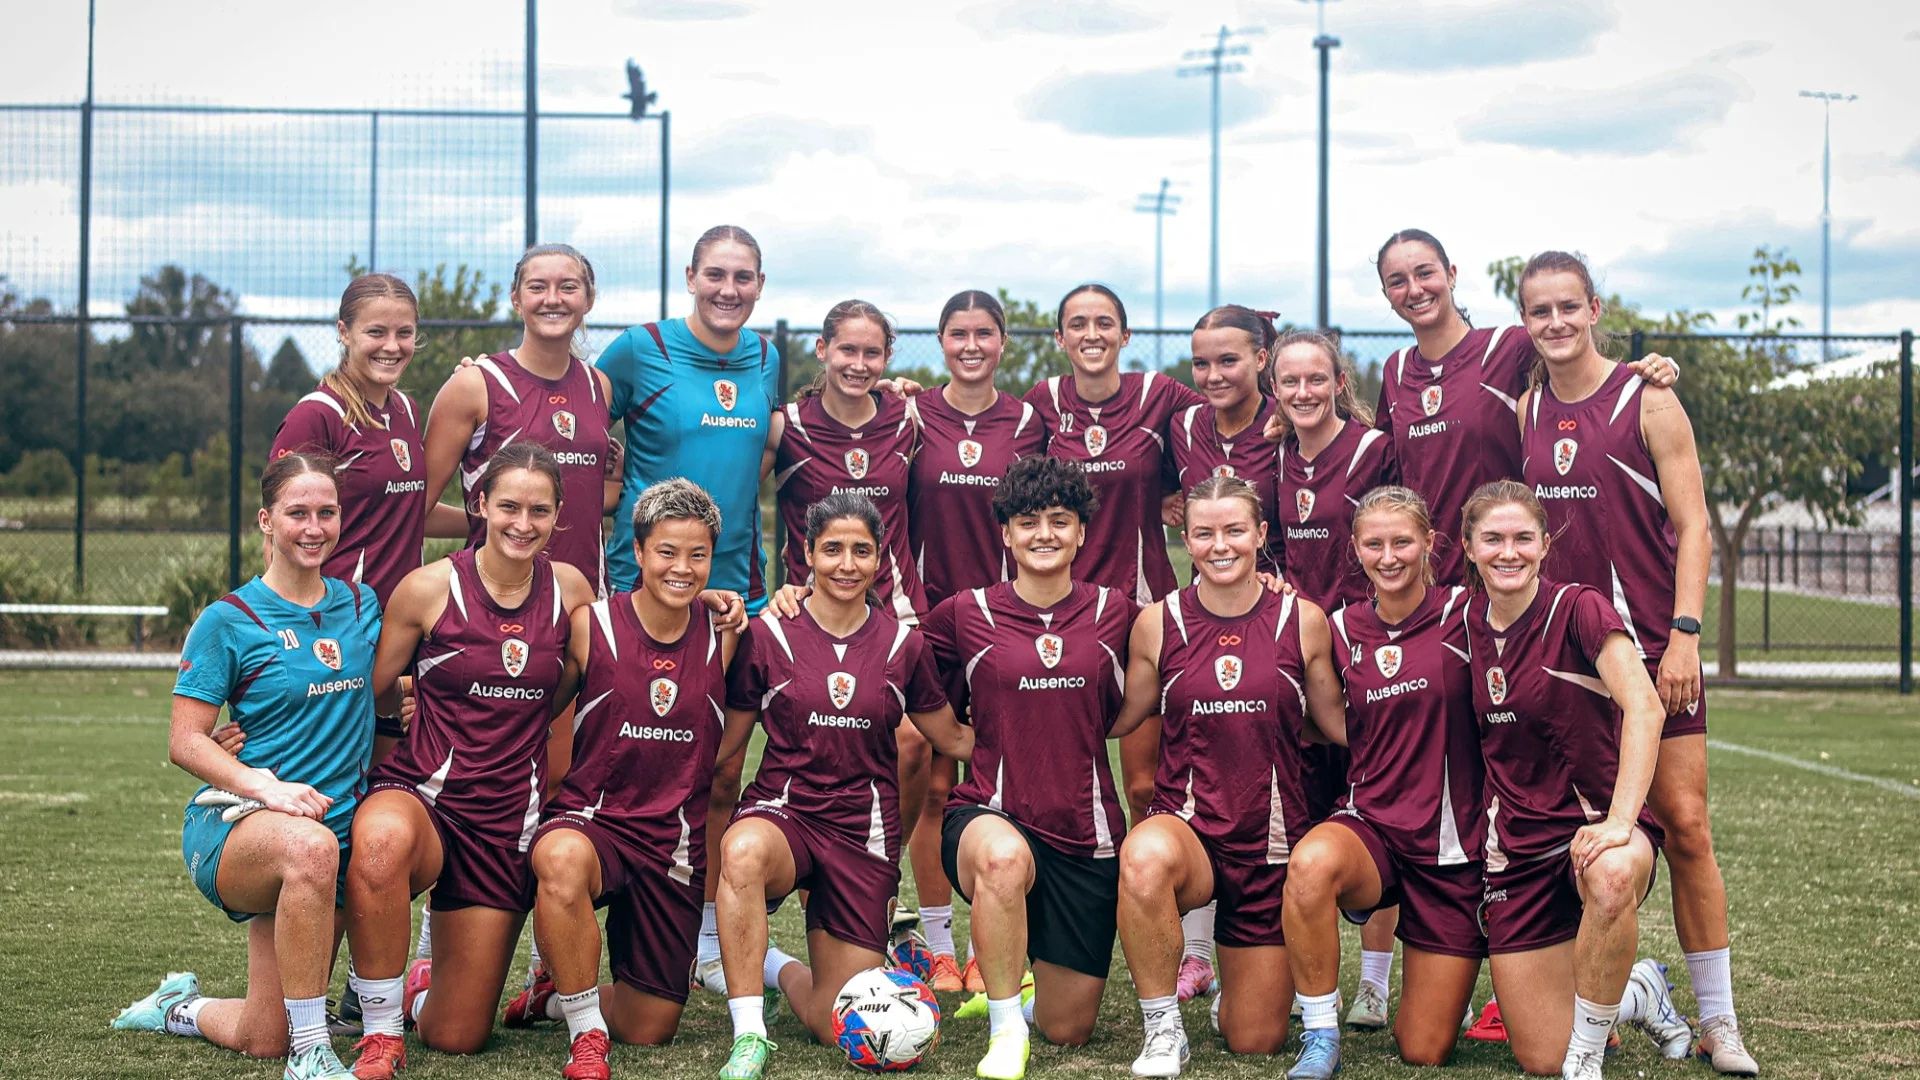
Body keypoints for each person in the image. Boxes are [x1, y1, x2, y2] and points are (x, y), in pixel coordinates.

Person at [1515, 252, 1754, 1075]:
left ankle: (1719, 1020)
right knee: (1568, 833)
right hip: (1569, 661)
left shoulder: (1649, 397)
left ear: (1595, 309)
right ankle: (1612, 991)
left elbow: (1694, 526)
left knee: (1686, 827)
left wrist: (1685, 635)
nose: (1554, 322)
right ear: (1525, 321)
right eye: (1539, 310)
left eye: (1568, 306)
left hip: (1653, 650)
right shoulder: (1528, 408)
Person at [111, 452, 380, 1080]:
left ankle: (177, 1006)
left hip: (329, 831)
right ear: (266, 520)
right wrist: (264, 786)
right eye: (297, 513)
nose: (313, 528)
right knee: (311, 848)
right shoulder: (228, 619)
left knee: (263, 1036)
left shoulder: (362, 603)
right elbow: (186, 741)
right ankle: (312, 1055)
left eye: (326, 513)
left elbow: (381, 688)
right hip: (242, 825)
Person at [343, 443, 597, 1079]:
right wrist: (407, 697)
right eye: (508, 506)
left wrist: (713, 605)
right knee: (380, 841)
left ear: (559, 514)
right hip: (424, 796)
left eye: (539, 510)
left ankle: (419, 992)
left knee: (457, 1037)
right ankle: (380, 1033)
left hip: (506, 820)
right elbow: (373, 688)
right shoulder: (428, 588)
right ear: (480, 504)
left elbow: (576, 682)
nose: (522, 523)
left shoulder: (571, 591)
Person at [713, 493, 972, 1080]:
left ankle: (775, 967)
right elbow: (726, 746)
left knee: (835, 1022)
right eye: (832, 549)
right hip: (786, 813)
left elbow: (951, 737)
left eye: (861, 550)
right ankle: (749, 1034)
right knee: (743, 851)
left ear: (879, 558)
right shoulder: (768, 633)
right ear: (806, 554)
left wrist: (1047, 735)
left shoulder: (905, 646)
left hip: (862, 832)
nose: (847, 564)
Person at [1112, 475, 1348, 1079]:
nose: (1221, 545)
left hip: (1271, 847)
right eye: (1205, 533)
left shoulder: (1304, 620)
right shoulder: (1157, 622)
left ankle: (1236, 998)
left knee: (1255, 1039)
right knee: (1142, 856)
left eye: (1235, 530)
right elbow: (1121, 716)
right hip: (1190, 833)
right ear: (1186, 539)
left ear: (1261, 534)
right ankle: (1163, 1030)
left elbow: (1337, 726)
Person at [1458, 480, 1692, 1080]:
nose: (1508, 552)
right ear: (1469, 547)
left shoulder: (1579, 608)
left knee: (1611, 878)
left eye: (1522, 538)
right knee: (1539, 1055)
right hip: (1517, 848)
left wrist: (1619, 822)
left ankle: (1587, 1057)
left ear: (1545, 544)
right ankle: (1639, 991)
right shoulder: (1460, 621)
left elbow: (1645, 708)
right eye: (1493, 539)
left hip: (1596, 830)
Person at [516, 479, 749, 1080]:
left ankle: (552, 997)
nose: (682, 568)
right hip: (594, 824)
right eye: (667, 552)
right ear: (639, 551)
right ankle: (586, 1033)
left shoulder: (726, 630)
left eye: (698, 555)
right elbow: (528, 709)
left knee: (649, 1029)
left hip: (672, 844)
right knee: (560, 859)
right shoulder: (590, 625)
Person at [925, 456, 1138, 1080]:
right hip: (990, 815)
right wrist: (962, 740)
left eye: (1059, 520)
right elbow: (892, 662)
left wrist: (1272, 588)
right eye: (1028, 521)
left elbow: (1184, 650)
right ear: (1006, 533)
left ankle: (1022, 997)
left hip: (1084, 833)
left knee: (1069, 1028)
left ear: (1081, 531)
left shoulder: (1118, 611)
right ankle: (1005, 1031)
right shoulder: (964, 613)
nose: (1044, 533)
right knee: (1003, 860)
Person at [1280, 486, 1482, 1079]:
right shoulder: (1339, 628)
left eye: (1402, 542)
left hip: (1452, 847)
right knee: (1310, 865)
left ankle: (1633, 989)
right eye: (1374, 544)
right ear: (1355, 547)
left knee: (1423, 1048)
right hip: (1372, 826)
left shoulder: (1466, 613)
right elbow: (1325, 720)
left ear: (1429, 543)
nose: (1388, 557)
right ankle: (1321, 1034)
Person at [1365, 229, 1677, 591]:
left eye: (1424, 273)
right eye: (1398, 281)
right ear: (1386, 294)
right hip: (1430, 591)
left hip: (1503, 580)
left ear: (1451, 274)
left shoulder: (1508, 347)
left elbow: (1583, 367)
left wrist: (1660, 367)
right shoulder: (1396, 371)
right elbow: (1381, 470)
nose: (1415, 289)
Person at [904, 289, 1046, 993]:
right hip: (931, 623)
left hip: (1004, 625)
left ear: (1002, 341)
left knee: (1009, 782)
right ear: (940, 340)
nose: (970, 345)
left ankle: (996, 950)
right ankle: (938, 947)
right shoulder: (911, 413)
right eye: (957, 333)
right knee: (933, 786)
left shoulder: (1028, 420)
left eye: (984, 333)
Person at [1271, 329, 1402, 1027]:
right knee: (1305, 811)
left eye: (1316, 378)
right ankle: (1308, 982)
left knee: (1380, 804)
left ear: (1339, 382)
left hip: (1367, 648)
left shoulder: (1373, 450)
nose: (1303, 391)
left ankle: (1374, 984)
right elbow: (1272, 550)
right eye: (1289, 380)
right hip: (1299, 656)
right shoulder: (1276, 457)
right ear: (1274, 389)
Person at [1159, 305, 1289, 1004]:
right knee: (1191, 777)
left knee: (1289, 786)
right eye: (1201, 362)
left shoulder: (1288, 420)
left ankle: (1335, 971)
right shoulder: (1182, 423)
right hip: (1202, 618)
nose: (1213, 375)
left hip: (1281, 618)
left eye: (1229, 360)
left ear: (1263, 360)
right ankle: (1198, 953)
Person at [269, 274, 446, 762]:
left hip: (400, 627)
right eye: (376, 332)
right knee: (327, 772)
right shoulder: (317, 416)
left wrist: (494, 524)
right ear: (344, 331)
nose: (392, 346)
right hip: (337, 629)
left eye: (404, 333)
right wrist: (289, 631)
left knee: (388, 774)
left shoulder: (406, 409)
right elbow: (280, 529)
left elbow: (409, 511)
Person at [422, 242, 616, 597]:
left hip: (584, 599)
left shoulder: (598, 386)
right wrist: (491, 520)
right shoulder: (475, 385)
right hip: (497, 603)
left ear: (588, 299)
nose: (553, 299)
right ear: (516, 299)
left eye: (568, 287)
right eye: (537, 287)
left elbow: (586, 501)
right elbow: (414, 511)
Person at [1023, 283, 1203, 605]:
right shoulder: (1044, 399)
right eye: (1078, 325)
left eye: (1104, 323)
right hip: (1065, 598)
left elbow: (1224, 415)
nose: (1092, 335)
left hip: (1143, 596)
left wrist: (1161, 490)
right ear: (1060, 338)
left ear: (1125, 335)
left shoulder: (1156, 392)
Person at [768, 300, 925, 623]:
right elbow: (735, 496)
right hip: (810, 615)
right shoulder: (786, 425)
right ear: (822, 349)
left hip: (898, 615)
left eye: (872, 353)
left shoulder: (908, 418)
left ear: (886, 357)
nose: (859, 365)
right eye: (848, 350)